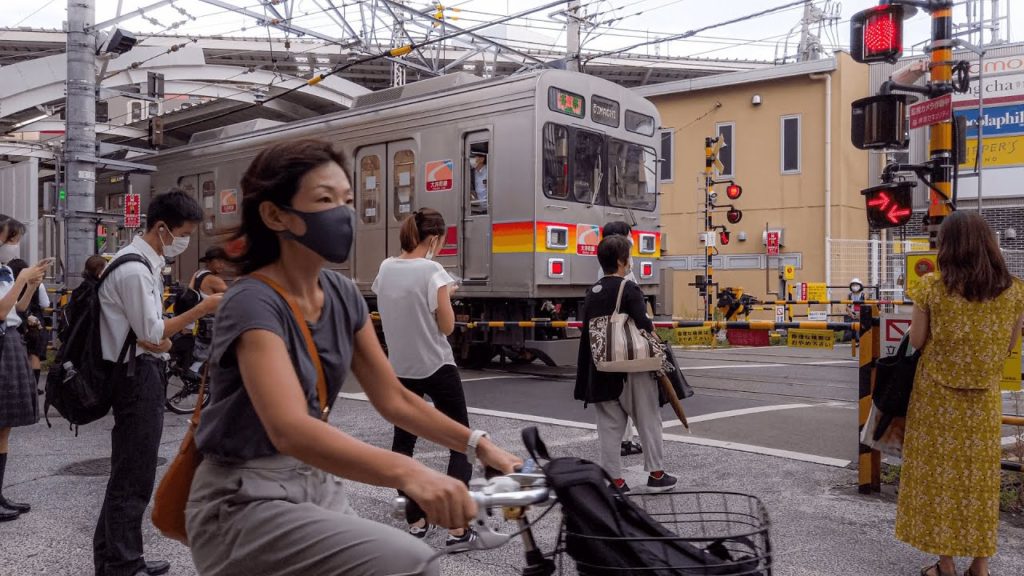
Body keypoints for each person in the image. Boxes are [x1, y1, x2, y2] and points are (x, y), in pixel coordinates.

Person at [186, 138, 520, 576]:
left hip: (313, 484)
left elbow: (395, 400)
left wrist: (480, 445)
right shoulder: (250, 301)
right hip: (242, 498)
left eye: (347, 199)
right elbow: (289, 428)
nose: (343, 213)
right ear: (274, 215)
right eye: (325, 200)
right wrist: (409, 473)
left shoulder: (342, 294)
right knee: (413, 563)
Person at [94, 190, 222, 576]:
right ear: (162, 228)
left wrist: (163, 338)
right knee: (134, 474)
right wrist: (201, 308)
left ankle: (116, 557)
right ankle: (122, 564)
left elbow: (155, 334)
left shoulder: (144, 262)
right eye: (182, 233)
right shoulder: (133, 268)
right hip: (136, 377)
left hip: (142, 370)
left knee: (131, 471)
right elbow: (151, 333)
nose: (183, 242)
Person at [894, 211, 1024, 576]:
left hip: (936, 399)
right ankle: (980, 566)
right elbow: (1010, 345)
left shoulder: (932, 287)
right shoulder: (1013, 290)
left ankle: (945, 565)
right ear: (989, 245)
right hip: (982, 400)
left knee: (938, 479)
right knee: (979, 482)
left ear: (949, 246)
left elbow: (917, 341)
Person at [372, 207, 476, 546]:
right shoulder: (433, 270)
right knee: (462, 442)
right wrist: (446, 294)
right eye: (441, 241)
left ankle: (416, 520)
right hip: (437, 366)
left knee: (403, 445)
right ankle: (458, 528)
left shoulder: (385, 268)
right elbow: (445, 327)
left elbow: (399, 306)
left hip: (401, 370)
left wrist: (439, 294)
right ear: (433, 238)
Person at [574, 235, 676, 494]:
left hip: (602, 369)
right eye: (629, 257)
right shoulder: (628, 288)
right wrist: (660, 349)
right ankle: (656, 475)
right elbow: (644, 324)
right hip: (633, 369)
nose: (630, 262)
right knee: (648, 419)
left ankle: (616, 482)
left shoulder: (592, 291)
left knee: (609, 428)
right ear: (621, 261)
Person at [0, 215, 49, 522]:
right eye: (10, 237)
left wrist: (31, 285)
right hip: (2, 343)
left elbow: (17, 309)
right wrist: (22, 279)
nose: (13, 244)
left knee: (5, 425)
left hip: (11, 342)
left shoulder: (5, 270)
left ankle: (0, 494)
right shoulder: (8, 272)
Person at [597, 221, 641, 457]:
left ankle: (621, 446)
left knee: (613, 402)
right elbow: (638, 314)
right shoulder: (624, 274)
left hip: (608, 345)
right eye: (629, 237)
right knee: (630, 399)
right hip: (625, 345)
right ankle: (626, 443)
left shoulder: (601, 273)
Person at [7, 258, 51, 394]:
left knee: (21, 354)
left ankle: (20, 386)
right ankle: (34, 386)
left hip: (17, 321)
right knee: (34, 354)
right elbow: (45, 304)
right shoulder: (38, 284)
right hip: (36, 321)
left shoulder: (9, 284)